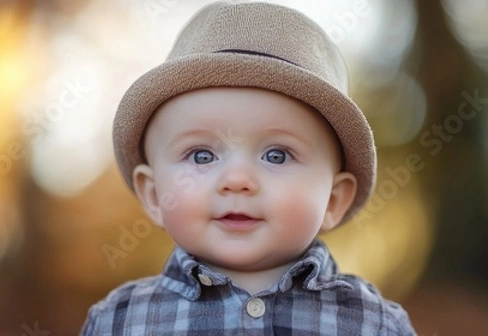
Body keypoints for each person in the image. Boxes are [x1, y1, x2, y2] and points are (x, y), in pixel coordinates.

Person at [81, 1, 416, 335]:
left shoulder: (374, 324)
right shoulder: (119, 321)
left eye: (277, 156)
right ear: (154, 195)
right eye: (201, 156)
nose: (237, 180)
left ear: (333, 199)